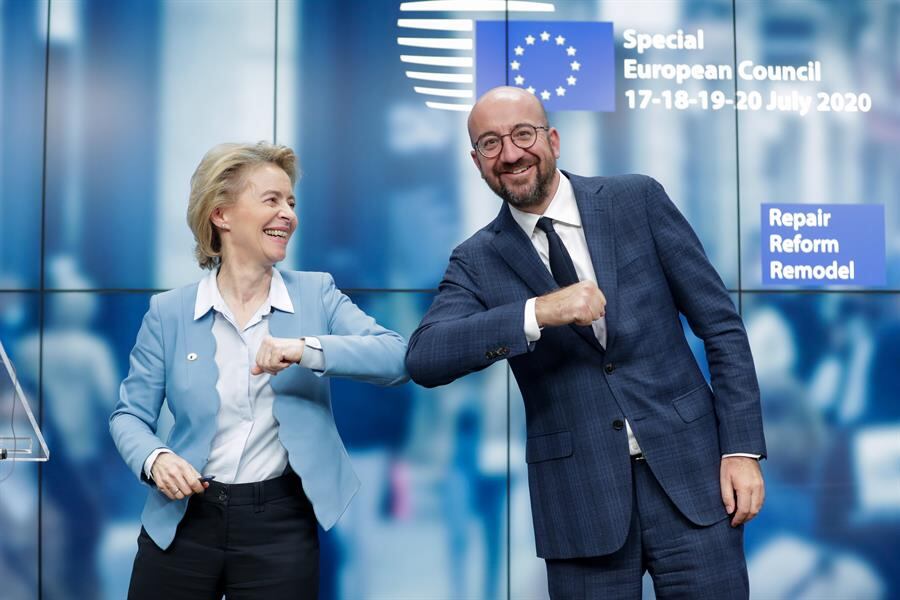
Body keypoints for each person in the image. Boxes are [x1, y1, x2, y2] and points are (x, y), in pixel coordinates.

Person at [406, 86, 766, 598]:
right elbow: (425, 357)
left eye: (523, 134)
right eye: (490, 144)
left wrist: (742, 450)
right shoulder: (476, 259)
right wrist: (537, 312)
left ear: (553, 139)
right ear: (476, 161)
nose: (510, 154)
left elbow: (721, 326)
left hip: (694, 483)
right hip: (579, 506)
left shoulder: (636, 200)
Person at [109, 142, 408, 599]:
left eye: (291, 202)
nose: (287, 213)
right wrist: (156, 459)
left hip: (280, 524)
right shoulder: (168, 313)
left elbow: (396, 357)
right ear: (221, 215)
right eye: (271, 200)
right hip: (182, 518)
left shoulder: (317, 295)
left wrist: (307, 349)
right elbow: (129, 416)